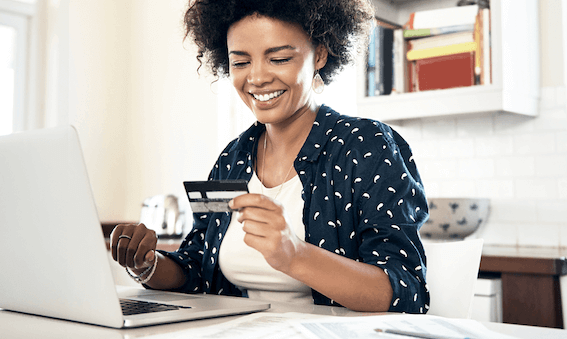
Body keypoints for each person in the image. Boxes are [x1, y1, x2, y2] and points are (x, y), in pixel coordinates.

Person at [111, 0, 430, 313]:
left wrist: (294, 255)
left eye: (278, 58)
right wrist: (147, 265)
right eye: (240, 62)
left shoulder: (365, 146)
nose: (258, 77)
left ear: (319, 54)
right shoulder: (232, 159)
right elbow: (197, 266)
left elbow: (407, 290)